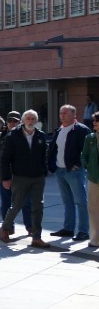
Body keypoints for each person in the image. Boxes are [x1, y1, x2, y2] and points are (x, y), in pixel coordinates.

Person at [0, 110, 51, 248]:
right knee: (17, 205)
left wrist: (44, 171)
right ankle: (5, 228)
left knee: (38, 206)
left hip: (38, 177)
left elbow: (43, 155)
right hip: (20, 177)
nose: (30, 121)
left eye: (33, 118)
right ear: (23, 120)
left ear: (36, 121)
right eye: (27, 118)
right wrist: (6, 178)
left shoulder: (40, 135)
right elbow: (5, 159)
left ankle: (37, 237)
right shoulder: (13, 135)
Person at [47, 104, 91, 243]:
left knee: (81, 202)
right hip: (60, 171)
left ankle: (84, 231)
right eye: (61, 113)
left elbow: (86, 150)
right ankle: (68, 228)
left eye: (65, 113)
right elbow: (54, 149)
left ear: (74, 115)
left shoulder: (81, 130)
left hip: (74, 171)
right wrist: (52, 165)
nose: (62, 115)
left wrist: (77, 164)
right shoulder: (59, 129)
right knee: (67, 202)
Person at [0, 111, 33, 231]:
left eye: (15, 121)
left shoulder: (28, 135)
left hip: (23, 175)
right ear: (6, 122)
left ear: (20, 122)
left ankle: (30, 226)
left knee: (26, 202)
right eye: (10, 121)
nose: (12, 123)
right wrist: (4, 154)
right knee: (6, 202)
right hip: (5, 174)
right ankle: (8, 228)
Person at [81, 114, 99, 248]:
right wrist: (86, 165)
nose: (94, 123)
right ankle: (95, 239)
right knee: (93, 208)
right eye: (94, 120)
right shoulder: (90, 138)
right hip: (94, 177)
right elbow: (84, 155)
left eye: (97, 121)